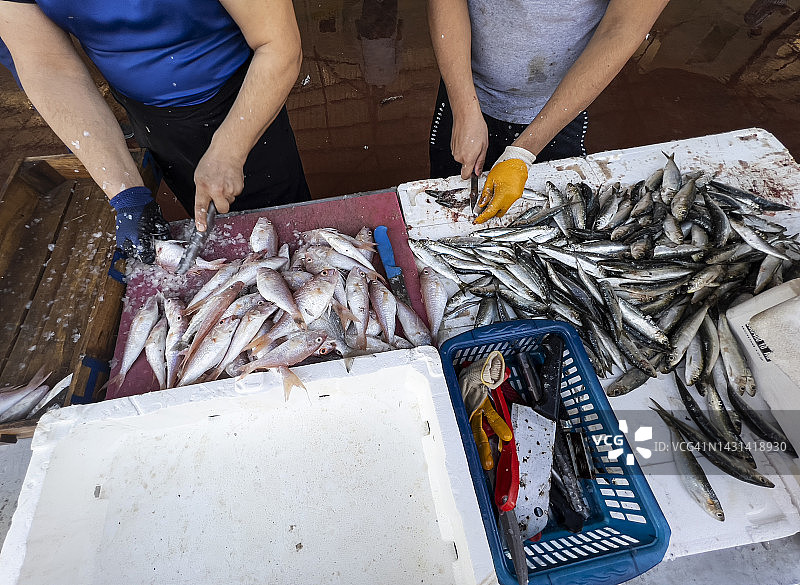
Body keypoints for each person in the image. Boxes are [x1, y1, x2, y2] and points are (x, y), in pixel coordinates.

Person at [0, 0, 311, 263]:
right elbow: (48, 66)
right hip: (148, 112)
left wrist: (231, 148)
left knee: (285, 228)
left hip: (244, 94)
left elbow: (278, 45)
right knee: (206, 213)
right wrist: (126, 193)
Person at [427, 0, 669, 223]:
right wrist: (464, 108)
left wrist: (524, 152)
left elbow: (622, 29)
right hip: (465, 92)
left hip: (560, 111)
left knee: (558, 215)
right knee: (442, 205)